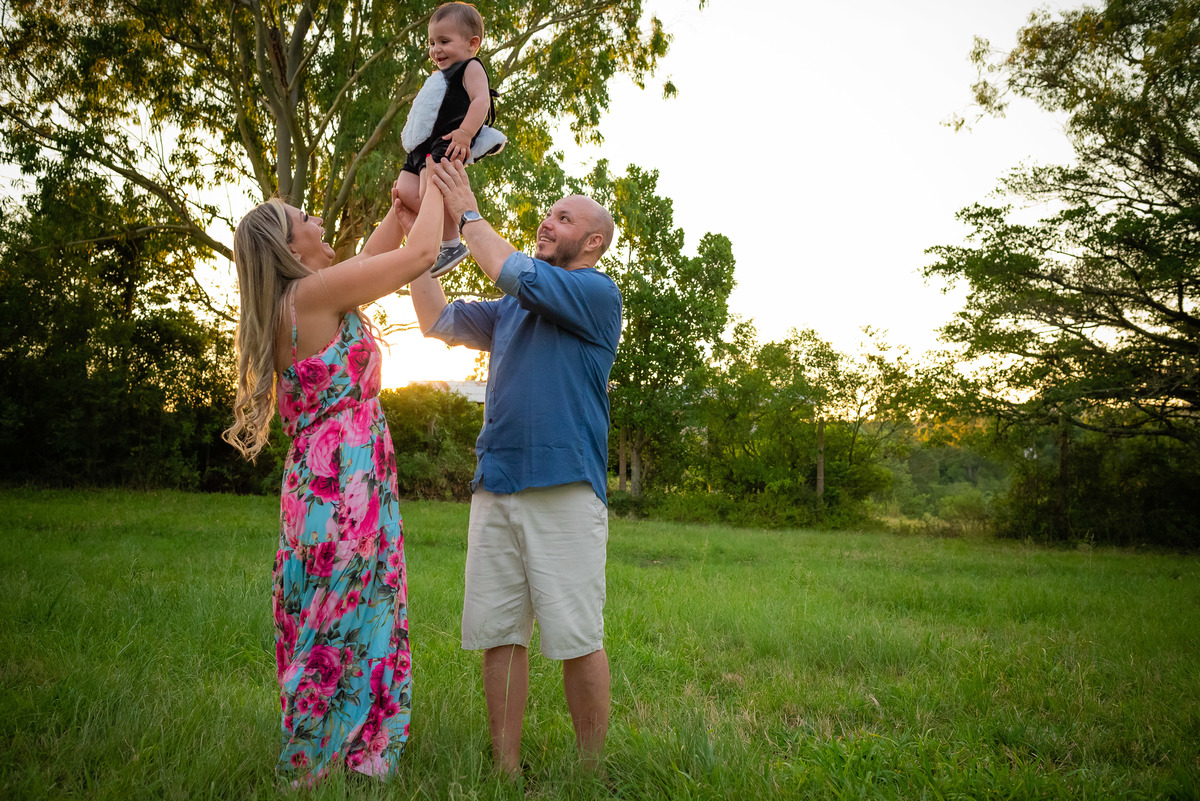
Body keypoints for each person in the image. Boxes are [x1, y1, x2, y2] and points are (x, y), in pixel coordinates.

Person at [222, 159, 445, 784]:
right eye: (303, 218)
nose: (316, 219)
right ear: (288, 247)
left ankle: (354, 751)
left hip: (332, 475)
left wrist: (396, 216)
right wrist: (439, 183)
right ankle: (321, 755)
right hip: (343, 476)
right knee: (346, 605)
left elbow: (382, 253)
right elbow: (423, 251)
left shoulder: (307, 295)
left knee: (350, 603)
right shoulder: (311, 296)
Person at [410, 157, 622, 775]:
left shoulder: (594, 293)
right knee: (500, 634)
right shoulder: (511, 309)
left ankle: (590, 773)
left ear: (593, 241)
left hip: (564, 489)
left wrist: (468, 213)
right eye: (548, 214)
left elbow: (511, 271)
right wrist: (420, 236)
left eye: (564, 218)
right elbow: (436, 320)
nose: (547, 223)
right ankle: (506, 768)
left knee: (576, 636)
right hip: (495, 484)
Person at [398, 1, 505, 278]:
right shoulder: (437, 77)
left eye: (444, 41)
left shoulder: (470, 67)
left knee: (432, 188)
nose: (436, 49)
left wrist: (466, 133)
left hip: (449, 138)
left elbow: (481, 100)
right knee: (406, 192)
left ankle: (450, 243)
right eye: (432, 42)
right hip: (421, 146)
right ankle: (428, 231)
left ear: (472, 43)